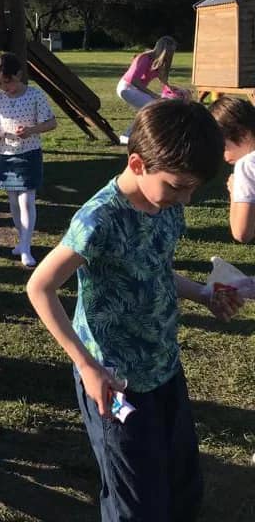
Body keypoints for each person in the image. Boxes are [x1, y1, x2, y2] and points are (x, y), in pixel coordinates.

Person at [26, 99, 243, 522]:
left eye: (194, 187)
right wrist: (87, 367)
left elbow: (154, 269)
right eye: (179, 186)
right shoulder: (98, 220)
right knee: (138, 506)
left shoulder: (166, 206)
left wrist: (202, 293)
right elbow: (40, 287)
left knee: (183, 489)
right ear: (139, 163)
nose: (187, 198)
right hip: (115, 381)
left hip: (164, 367)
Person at [0, 53, 57, 268]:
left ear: (19, 75)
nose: (6, 87)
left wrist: (31, 130)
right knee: (13, 201)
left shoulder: (34, 95)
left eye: (9, 81)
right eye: (1, 83)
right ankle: (22, 241)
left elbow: (51, 123)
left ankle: (26, 246)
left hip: (28, 153)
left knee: (26, 201)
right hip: (5, 154)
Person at [209, 95, 255, 243]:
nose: (222, 156)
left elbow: (241, 233)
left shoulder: (247, 165)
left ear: (243, 134)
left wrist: (235, 193)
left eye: (223, 147)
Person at [116, 36, 177, 143]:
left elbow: (162, 78)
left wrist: (170, 88)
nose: (171, 55)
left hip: (136, 89)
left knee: (152, 108)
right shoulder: (144, 58)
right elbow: (134, 81)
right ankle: (127, 135)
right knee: (152, 107)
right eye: (169, 52)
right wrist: (152, 94)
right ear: (162, 50)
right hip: (127, 88)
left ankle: (130, 135)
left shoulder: (158, 61)